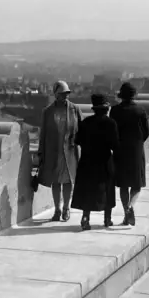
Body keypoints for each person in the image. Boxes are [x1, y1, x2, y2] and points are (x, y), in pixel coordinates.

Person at [37, 80, 83, 222]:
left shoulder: (75, 110)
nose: (65, 96)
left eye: (67, 94)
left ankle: (66, 208)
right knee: (56, 182)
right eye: (63, 94)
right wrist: (41, 153)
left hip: (70, 152)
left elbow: (82, 131)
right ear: (56, 94)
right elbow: (43, 134)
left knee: (68, 181)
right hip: (54, 152)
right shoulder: (48, 112)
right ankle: (57, 209)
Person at [71, 93, 119, 230]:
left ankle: (85, 218)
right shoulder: (111, 123)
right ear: (106, 109)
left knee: (88, 191)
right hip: (104, 161)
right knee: (107, 190)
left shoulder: (86, 122)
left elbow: (77, 140)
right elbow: (115, 145)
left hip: (87, 161)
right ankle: (107, 219)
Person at [109, 82, 149, 226]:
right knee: (136, 184)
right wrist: (138, 142)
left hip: (120, 151)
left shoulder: (114, 110)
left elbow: (112, 131)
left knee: (123, 185)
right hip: (136, 150)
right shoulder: (140, 111)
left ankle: (126, 213)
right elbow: (147, 132)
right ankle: (130, 207)